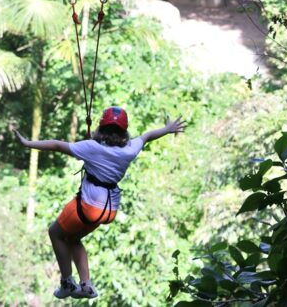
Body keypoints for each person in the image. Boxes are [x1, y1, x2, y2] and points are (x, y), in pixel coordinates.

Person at [14, 107, 186, 299]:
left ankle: (67, 283)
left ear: (101, 128)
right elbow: (147, 136)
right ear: (124, 131)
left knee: (55, 233)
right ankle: (86, 285)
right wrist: (168, 129)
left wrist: (27, 143)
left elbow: (56, 145)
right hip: (109, 210)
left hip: (88, 207)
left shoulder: (91, 148)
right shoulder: (130, 149)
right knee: (72, 239)